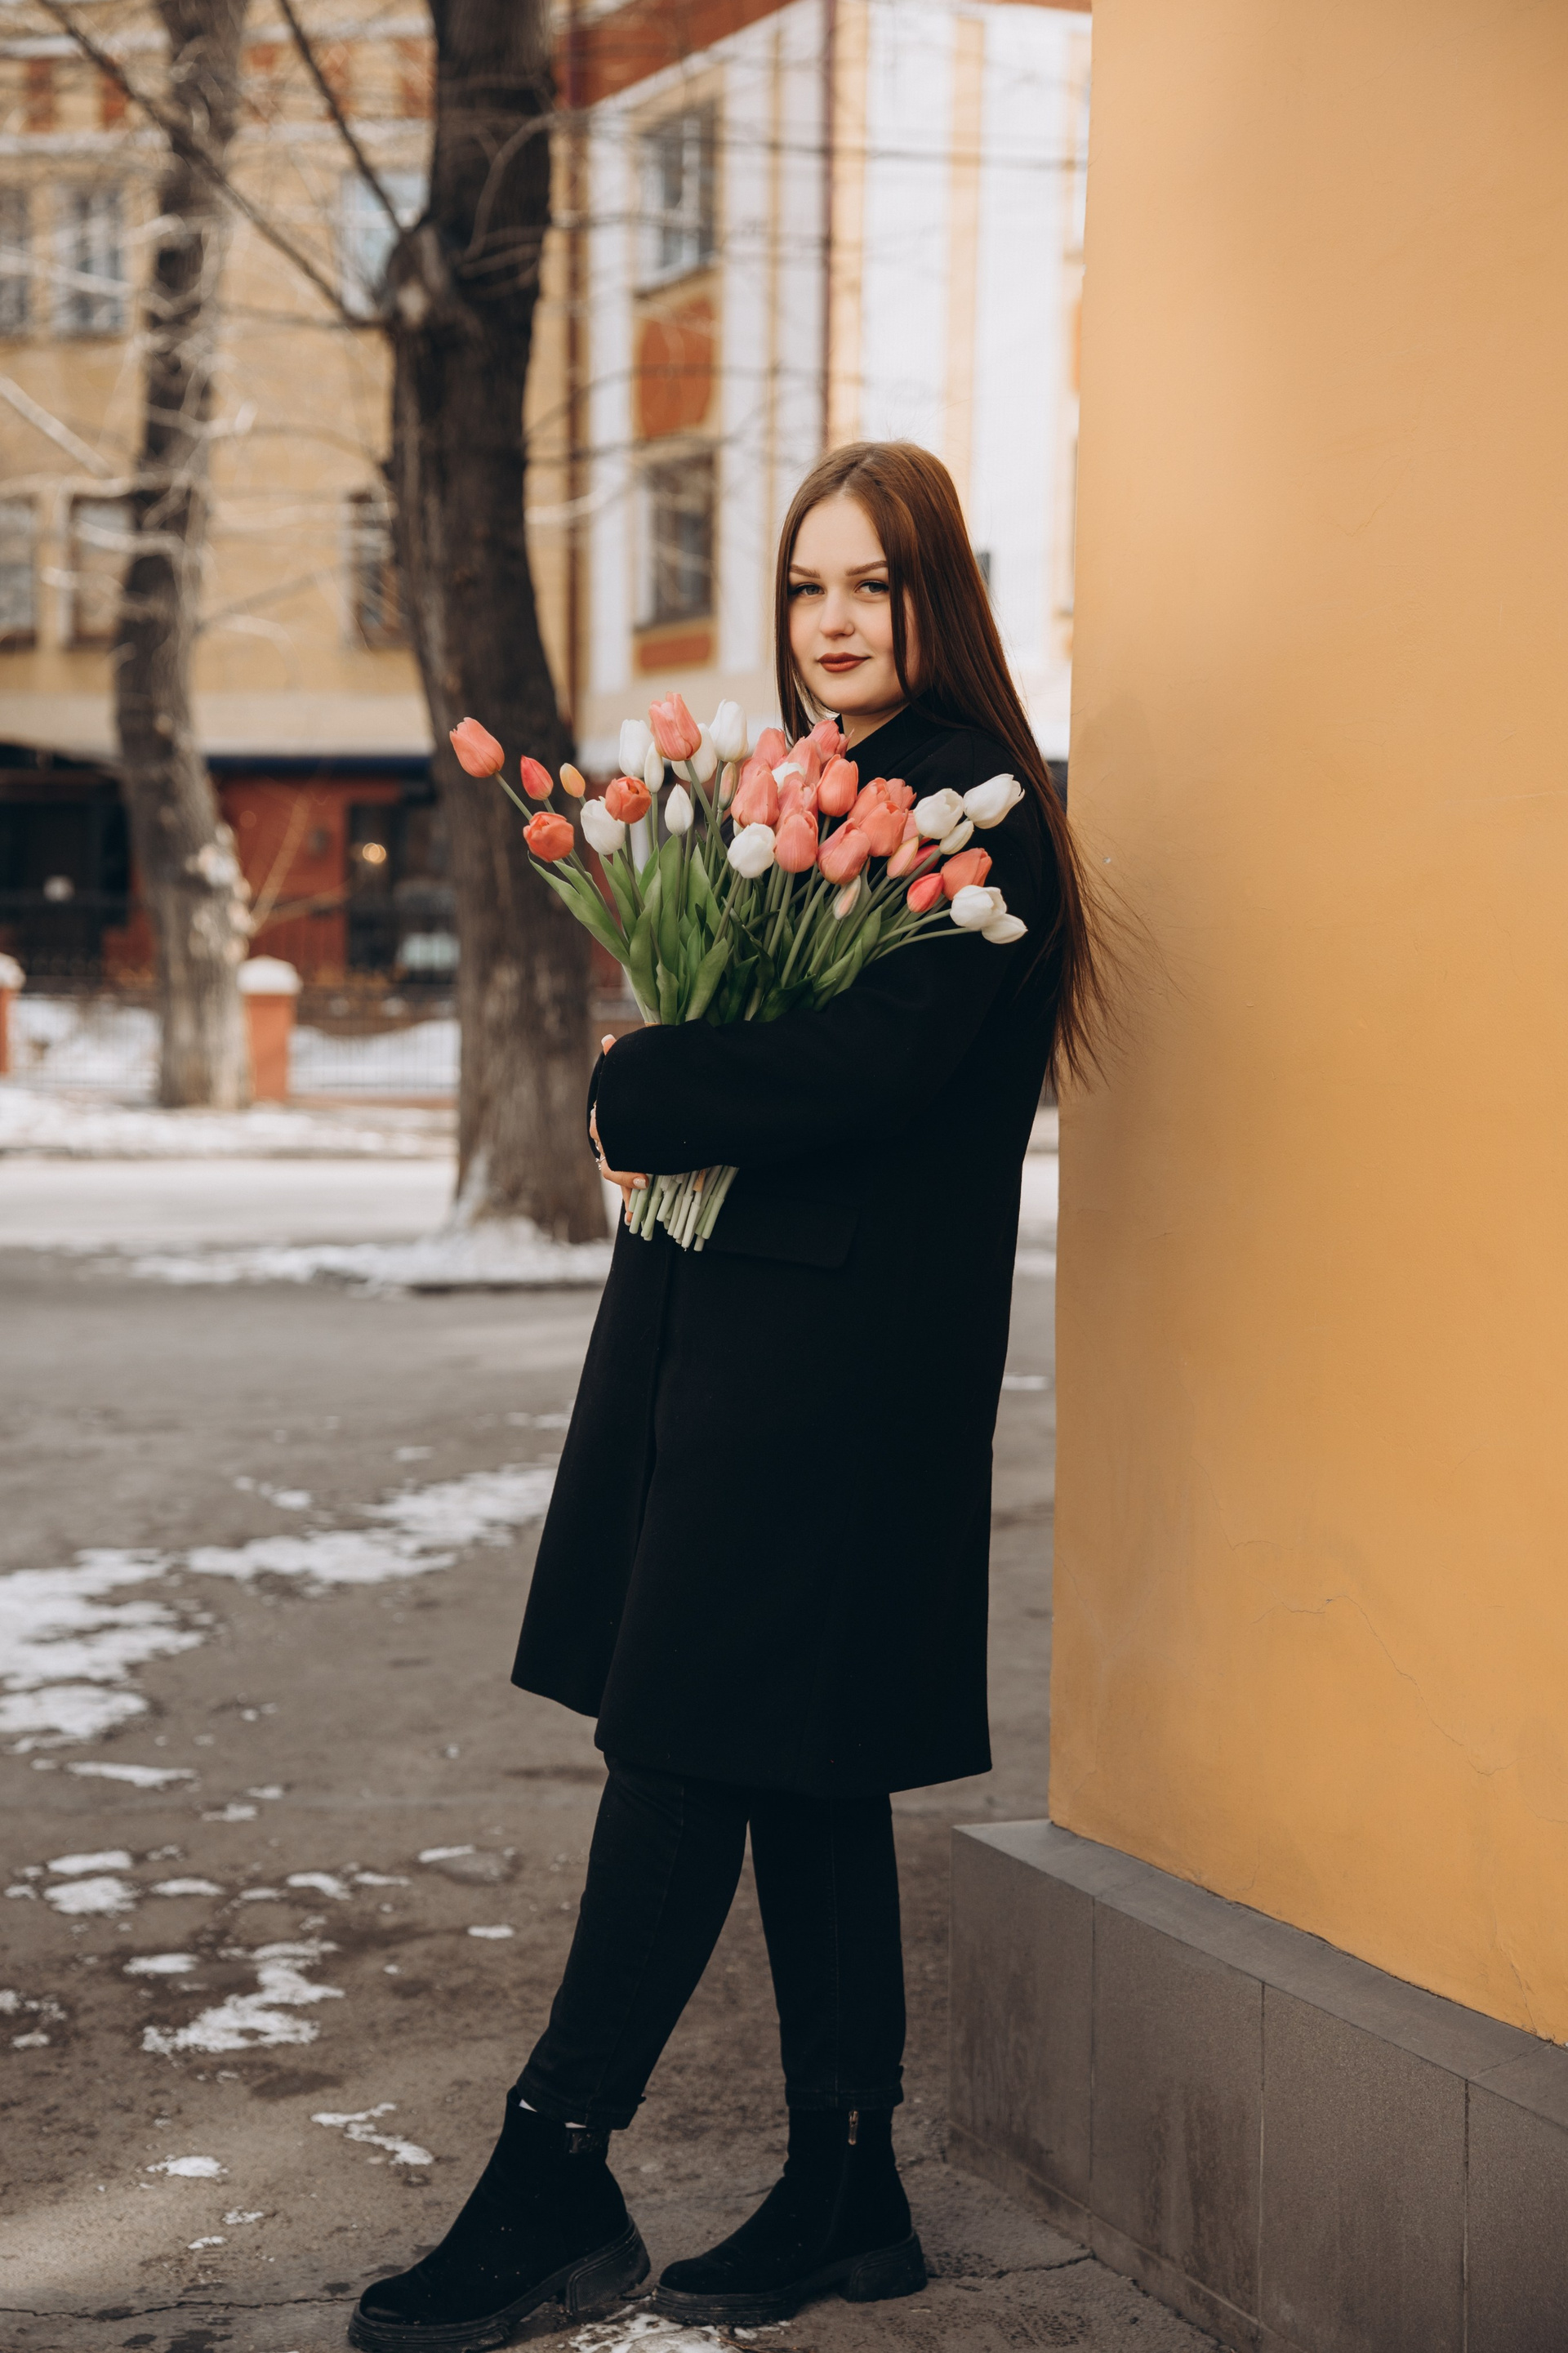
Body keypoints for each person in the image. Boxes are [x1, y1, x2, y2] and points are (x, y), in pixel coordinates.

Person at [350, 441, 1107, 2353]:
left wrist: (646, 1078)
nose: (831, 622)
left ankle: (554, 2172)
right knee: (799, 1758)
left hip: (837, 1365)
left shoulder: (974, 804)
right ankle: (849, 2189)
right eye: (803, 587)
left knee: (684, 1740)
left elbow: (875, 1064)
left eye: (872, 585)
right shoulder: (832, 781)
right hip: (766, 1334)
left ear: (938, 599)